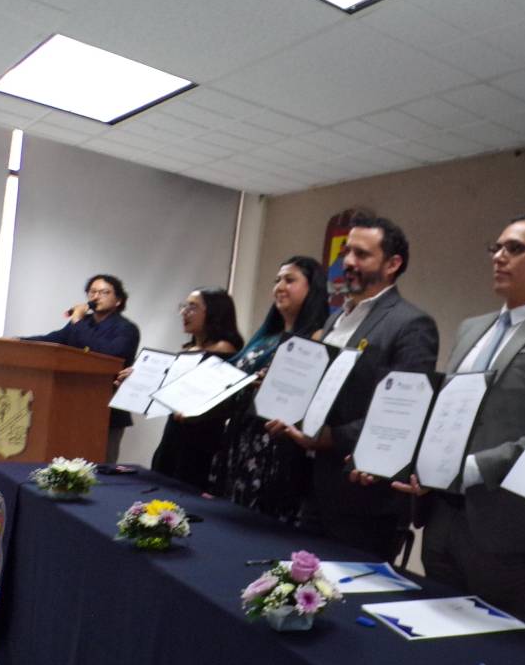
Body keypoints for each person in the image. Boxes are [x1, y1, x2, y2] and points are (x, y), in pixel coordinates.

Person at [393, 215, 525, 619]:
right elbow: (448, 413)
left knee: (491, 650)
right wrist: (424, 464)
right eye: (497, 248)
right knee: (429, 629)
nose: (499, 257)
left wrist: (473, 468)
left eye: (515, 248)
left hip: (504, 527)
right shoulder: (472, 328)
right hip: (442, 514)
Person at [268, 216, 438, 560]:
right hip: (315, 486)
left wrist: (331, 437)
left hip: (364, 500)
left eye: (361, 254)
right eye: (347, 253)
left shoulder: (411, 324)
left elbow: (404, 413)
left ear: (392, 264)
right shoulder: (337, 319)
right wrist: (290, 412)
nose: (348, 262)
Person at [209, 256, 329, 522]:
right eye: (277, 280)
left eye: (290, 280)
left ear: (313, 289)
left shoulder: (317, 337)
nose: (279, 287)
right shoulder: (266, 336)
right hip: (242, 439)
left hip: (276, 447)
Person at [25, 273, 140, 463]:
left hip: (108, 410)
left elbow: (108, 353)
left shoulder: (126, 329)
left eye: (104, 292)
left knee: (101, 466)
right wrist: (19, 340)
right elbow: (53, 340)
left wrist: (77, 321)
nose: (96, 297)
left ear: (118, 300)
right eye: (92, 292)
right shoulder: (84, 323)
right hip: (73, 407)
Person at [146, 288, 245, 490]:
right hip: (174, 433)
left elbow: (219, 399)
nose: (184, 312)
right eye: (183, 307)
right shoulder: (187, 350)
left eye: (192, 307)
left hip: (201, 437)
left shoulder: (224, 349)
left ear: (214, 313)